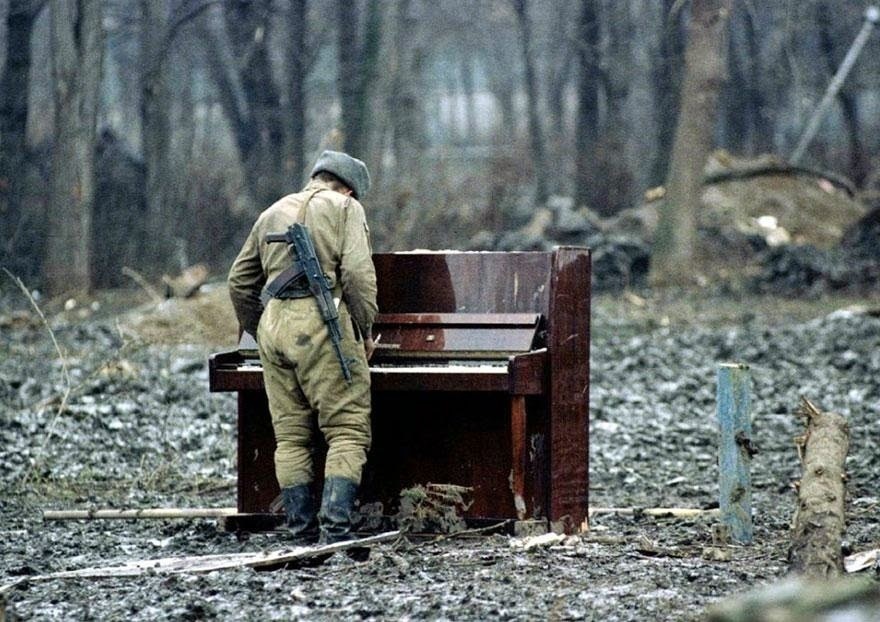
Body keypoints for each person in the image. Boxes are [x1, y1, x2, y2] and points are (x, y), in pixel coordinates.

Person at [228, 150, 377, 547]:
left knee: (291, 438)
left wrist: (261, 331)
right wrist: (363, 332)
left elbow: (239, 283)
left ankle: (300, 534)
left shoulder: (271, 212)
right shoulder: (346, 208)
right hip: (323, 323)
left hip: (274, 327)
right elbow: (358, 277)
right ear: (348, 188)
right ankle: (337, 532)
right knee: (346, 429)